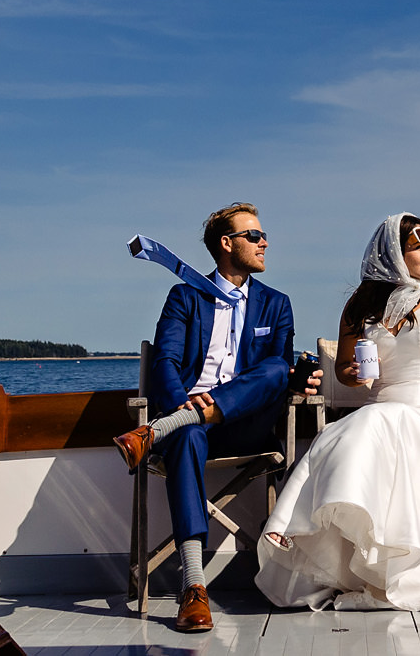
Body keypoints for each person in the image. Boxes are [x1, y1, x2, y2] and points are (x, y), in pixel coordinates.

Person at [255, 213, 420, 613]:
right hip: (378, 409)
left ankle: (378, 560)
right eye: (419, 247)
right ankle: (356, 564)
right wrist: (353, 375)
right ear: (394, 253)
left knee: (368, 427)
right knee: (363, 426)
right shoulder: (359, 305)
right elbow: (345, 370)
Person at [112, 202, 322, 633]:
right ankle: (194, 587)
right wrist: (185, 409)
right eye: (254, 236)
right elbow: (165, 363)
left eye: (263, 235)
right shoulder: (185, 296)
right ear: (227, 244)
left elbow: (276, 375)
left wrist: (300, 379)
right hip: (190, 425)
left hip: (246, 427)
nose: (264, 242)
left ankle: (154, 432)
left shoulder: (276, 305)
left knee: (279, 367)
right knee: (189, 436)